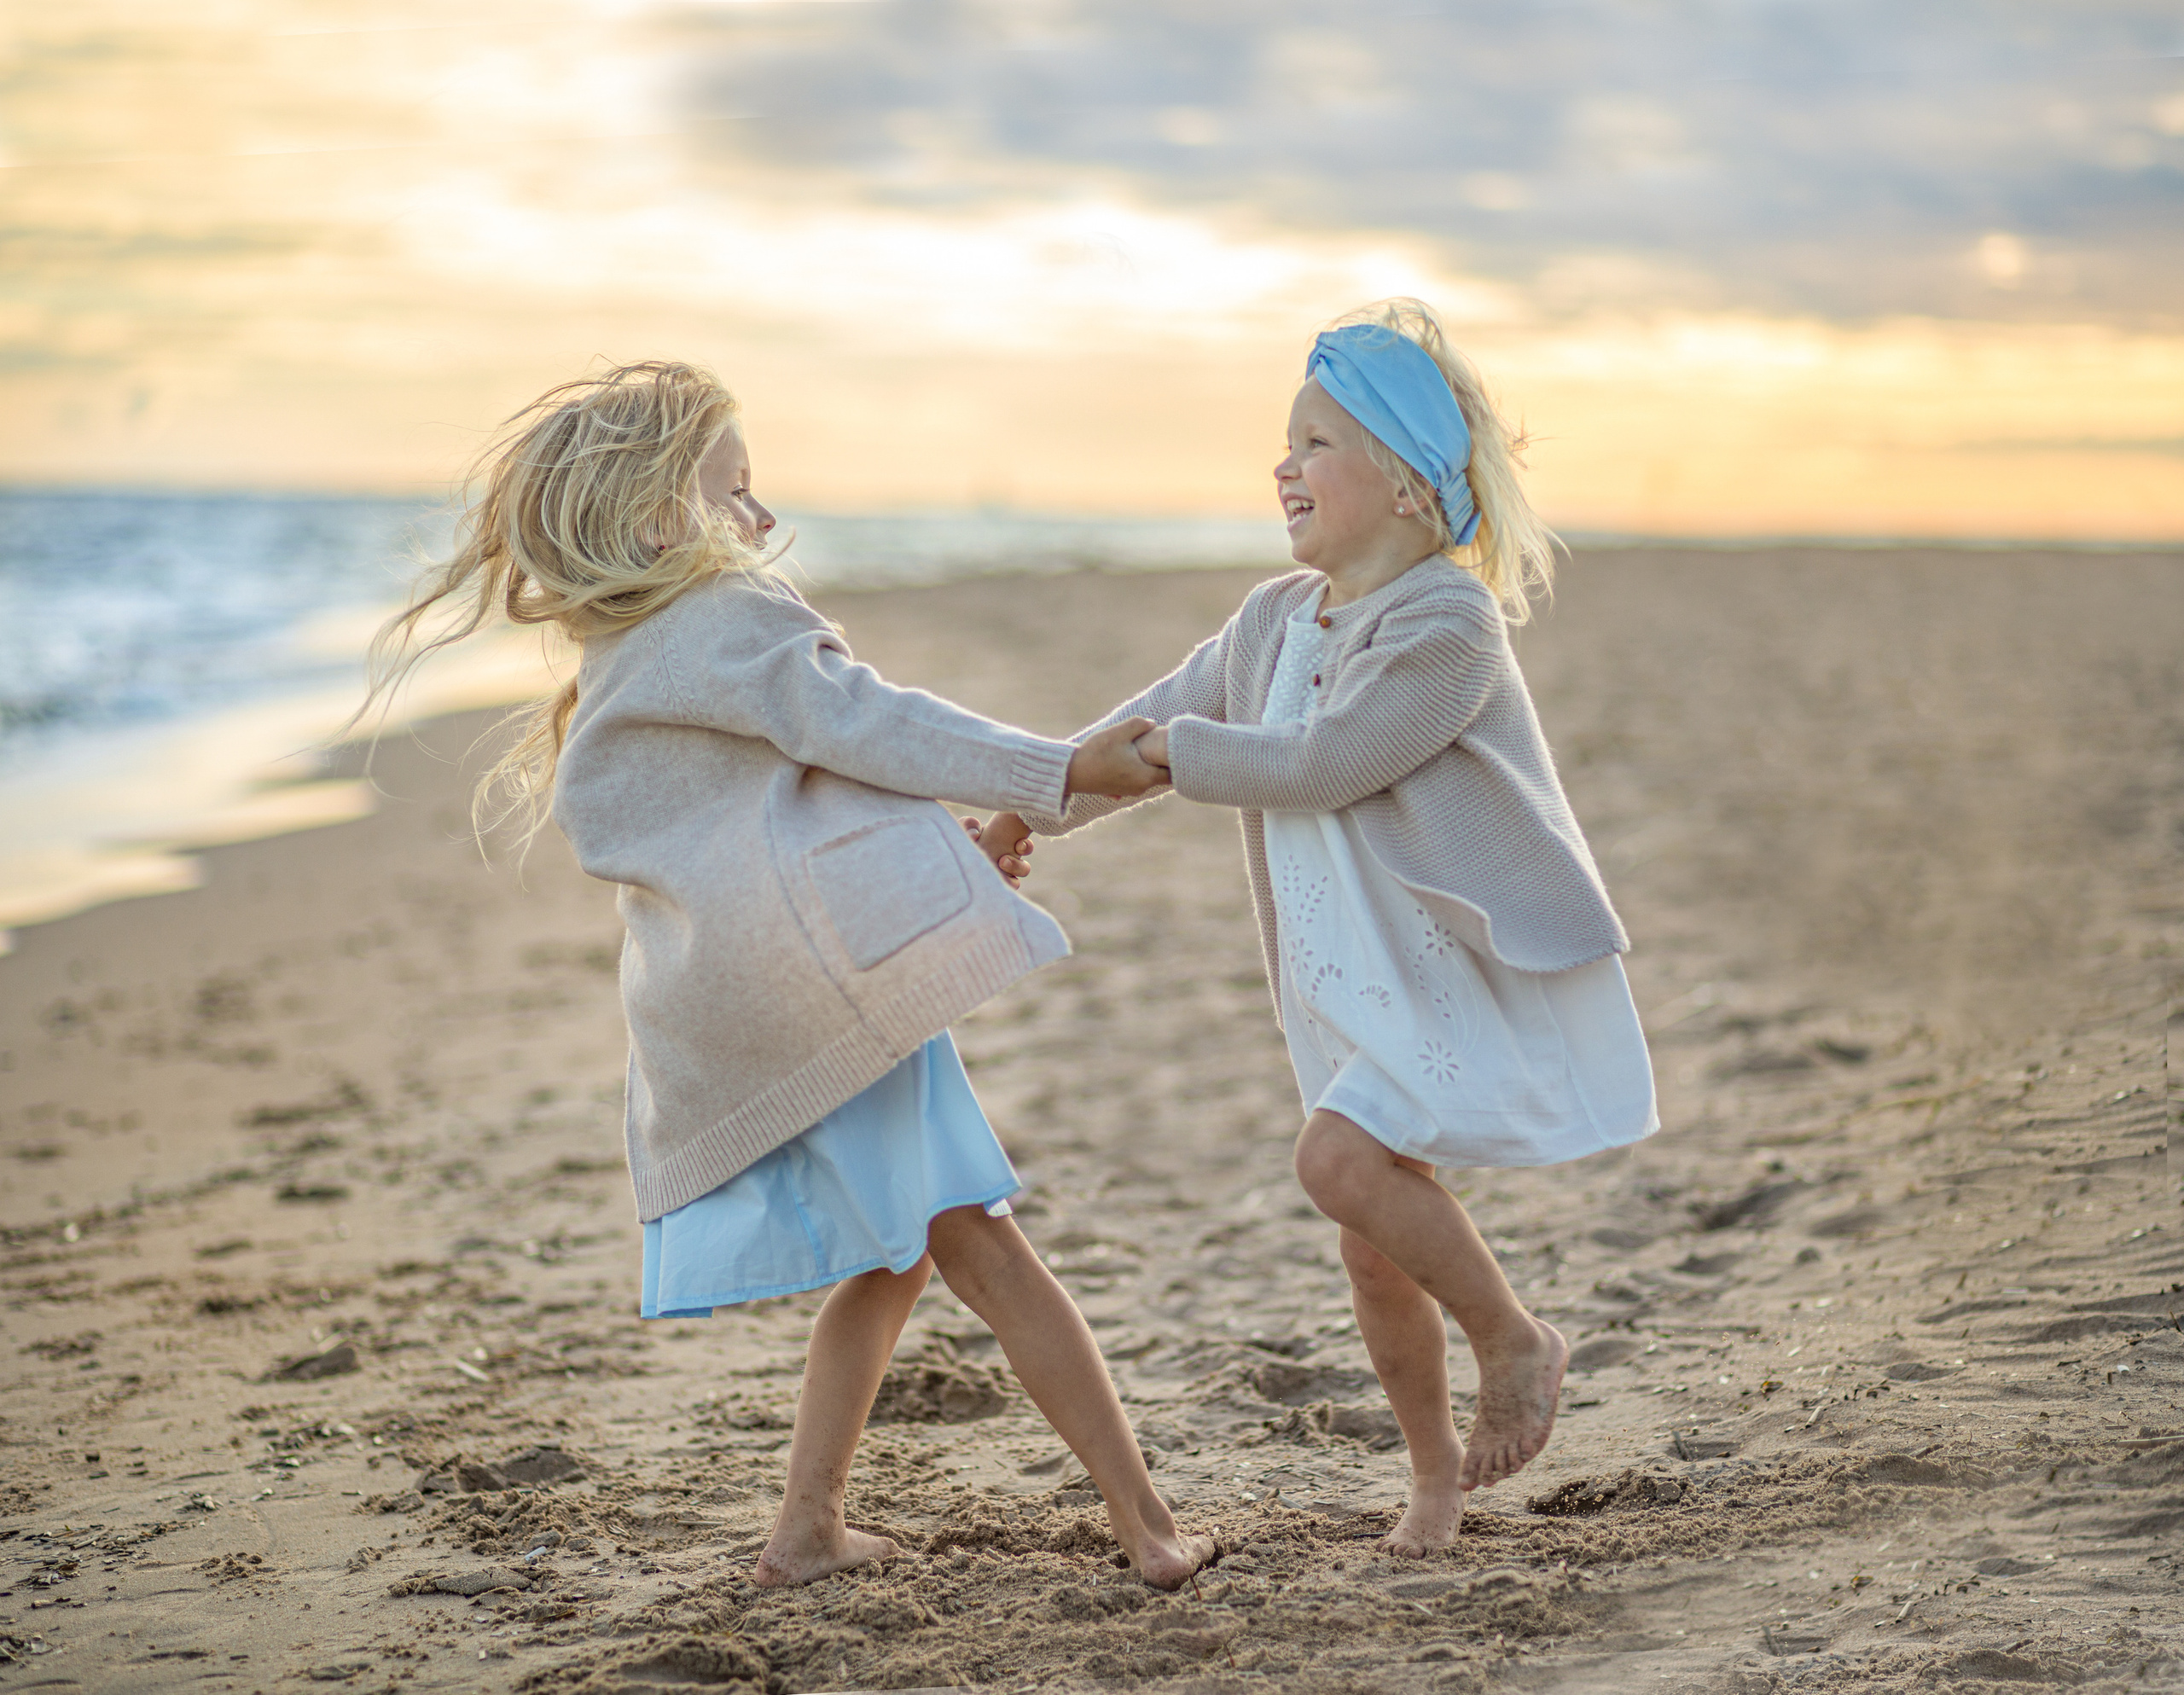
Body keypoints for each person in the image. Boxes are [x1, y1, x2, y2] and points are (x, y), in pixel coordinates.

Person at [357, 360, 1213, 1590]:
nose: (761, 521)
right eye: (737, 492)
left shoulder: (627, 655)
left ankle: (807, 1529)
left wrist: (942, 869)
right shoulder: (724, 616)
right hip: (813, 996)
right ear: (662, 519)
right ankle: (1149, 1525)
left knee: (901, 1249)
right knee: (983, 1238)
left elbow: (773, 826)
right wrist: (1060, 770)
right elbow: (869, 726)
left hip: (718, 1000)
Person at [976, 300, 1658, 1557]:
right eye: (1284, 442)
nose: (1284, 464)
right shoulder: (1269, 622)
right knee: (1371, 1251)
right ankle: (1437, 1479)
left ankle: (1514, 1338)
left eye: (1318, 442)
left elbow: (1331, 760)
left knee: (1338, 1164)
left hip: (1442, 970)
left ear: (1406, 486)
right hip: (1342, 980)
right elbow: (1147, 725)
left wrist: (1184, 754)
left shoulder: (1451, 627)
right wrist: (1037, 803)